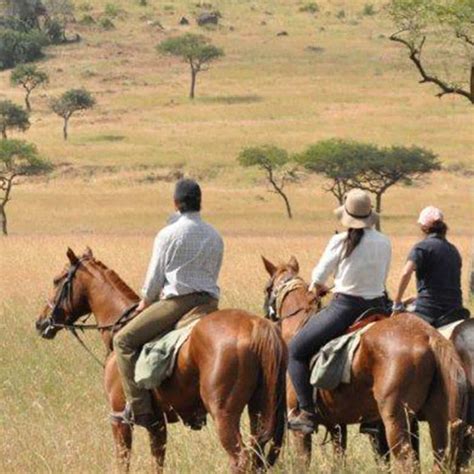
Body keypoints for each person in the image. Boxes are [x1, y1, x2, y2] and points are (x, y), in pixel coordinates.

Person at [114, 179, 224, 428]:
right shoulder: (215, 235)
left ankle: (139, 409)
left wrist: (145, 302)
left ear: (176, 204)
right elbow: (214, 272)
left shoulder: (168, 234)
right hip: (209, 302)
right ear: (200, 203)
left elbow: (154, 280)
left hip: (177, 302)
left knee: (122, 340)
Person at [288, 189, 392, 434]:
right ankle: (373, 417)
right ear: (370, 216)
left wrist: (319, 287)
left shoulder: (340, 241)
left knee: (295, 351)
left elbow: (318, 277)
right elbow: (383, 276)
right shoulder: (384, 241)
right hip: (378, 307)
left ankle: (306, 412)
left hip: (346, 308)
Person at [392, 206, 464, 326]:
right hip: (455, 308)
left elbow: (406, 273)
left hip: (429, 310)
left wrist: (397, 302)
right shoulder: (453, 249)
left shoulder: (422, 247)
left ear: (424, 227)